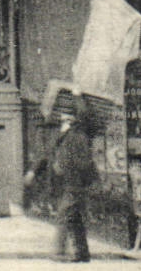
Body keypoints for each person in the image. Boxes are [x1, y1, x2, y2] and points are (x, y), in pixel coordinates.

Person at [24, 109, 98, 263]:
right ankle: (82, 253)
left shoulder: (78, 135)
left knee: (64, 216)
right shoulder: (61, 135)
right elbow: (46, 155)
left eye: (66, 117)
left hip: (74, 182)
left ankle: (59, 252)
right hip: (63, 183)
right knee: (74, 218)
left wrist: (64, 168)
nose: (62, 120)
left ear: (72, 120)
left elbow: (83, 161)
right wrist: (33, 171)